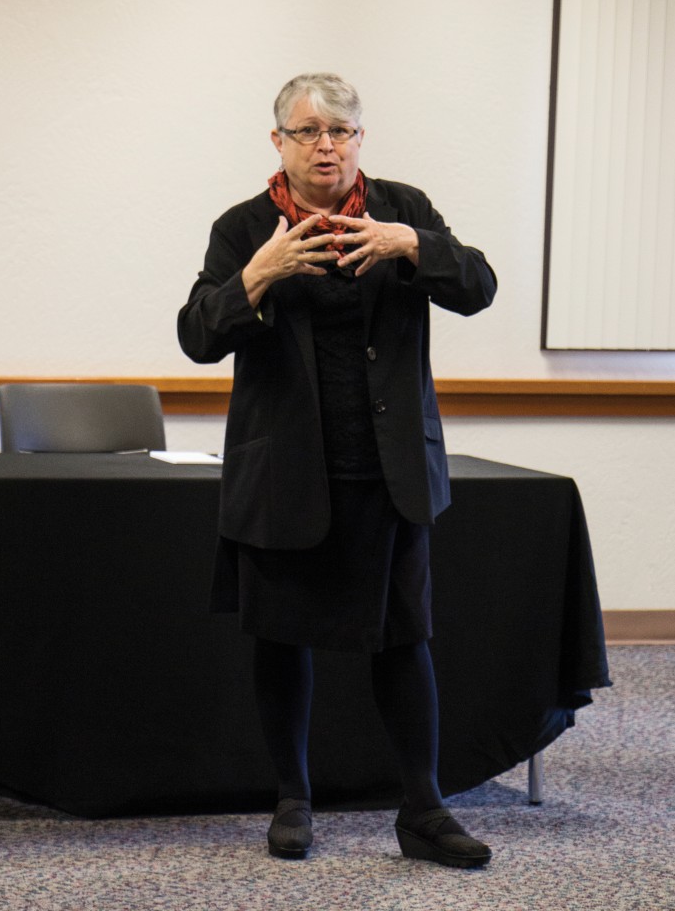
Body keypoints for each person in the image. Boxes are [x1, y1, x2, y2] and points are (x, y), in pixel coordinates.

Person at [177, 73, 497, 868]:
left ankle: (422, 809)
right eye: (310, 131)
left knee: (403, 638)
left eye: (342, 132)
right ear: (278, 143)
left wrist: (410, 245)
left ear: (359, 141)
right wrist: (262, 272)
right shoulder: (245, 227)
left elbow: (478, 287)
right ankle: (292, 798)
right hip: (286, 473)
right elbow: (195, 335)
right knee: (282, 639)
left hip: (388, 473)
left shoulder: (403, 209)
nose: (327, 145)